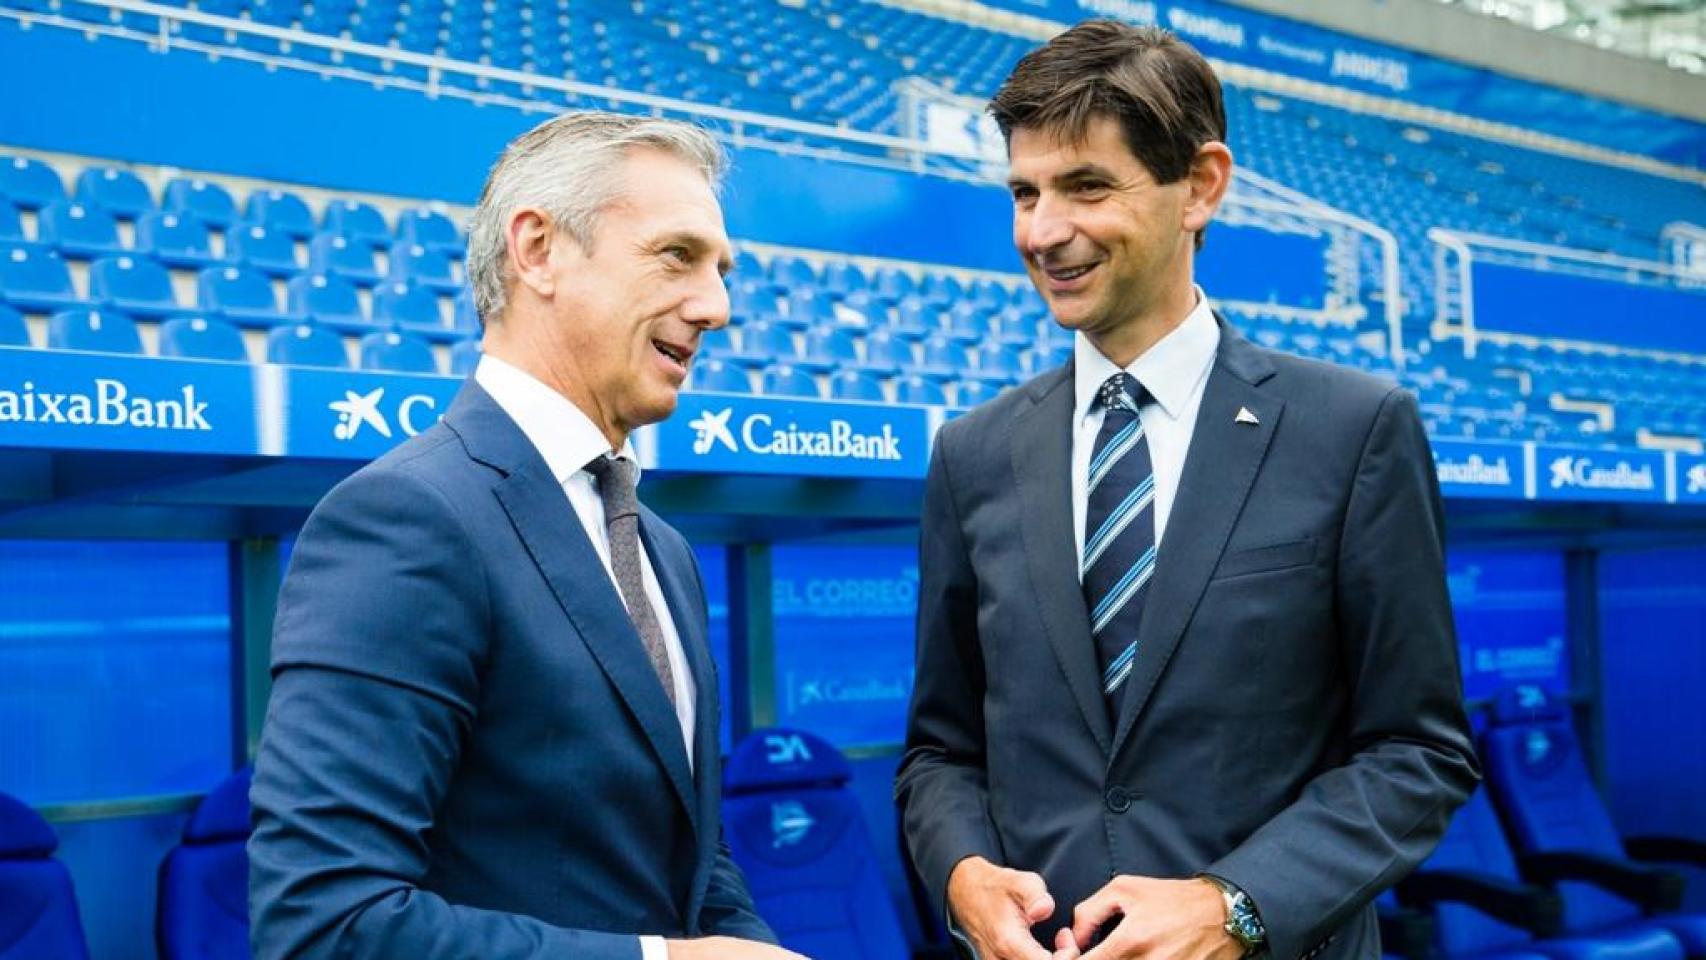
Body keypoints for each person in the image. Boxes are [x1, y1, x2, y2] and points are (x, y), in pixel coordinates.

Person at [895, 21, 1479, 960]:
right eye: (1024, 192)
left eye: (1087, 186)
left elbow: (1419, 752)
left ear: (1200, 186)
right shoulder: (973, 453)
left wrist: (1236, 904)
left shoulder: (1353, 429)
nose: (1044, 231)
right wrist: (964, 874)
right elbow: (940, 751)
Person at [249, 112, 804, 960]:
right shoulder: (407, 518)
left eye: (722, 270)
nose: (717, 307)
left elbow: (690, 856)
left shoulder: (663, 550)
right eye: (677, 256)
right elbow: (324, 923)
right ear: (538, 249)